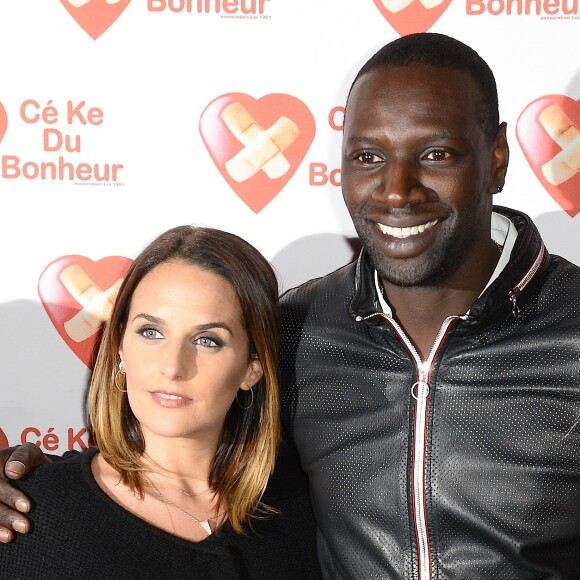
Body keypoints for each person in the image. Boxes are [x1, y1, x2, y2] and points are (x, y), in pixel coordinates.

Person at [1, 31, 580, 579]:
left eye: (436, 153)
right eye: (368, 157)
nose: (398, 190)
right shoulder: (297, 328)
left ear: (498, 157)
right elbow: (193, 454)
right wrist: (48, 494)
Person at [0, 225, 320, 579]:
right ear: (120, 347)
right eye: (151, 332)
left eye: (208, 340)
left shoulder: (307, 510)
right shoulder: (28, 516)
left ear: (251, 368)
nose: (172, 367)